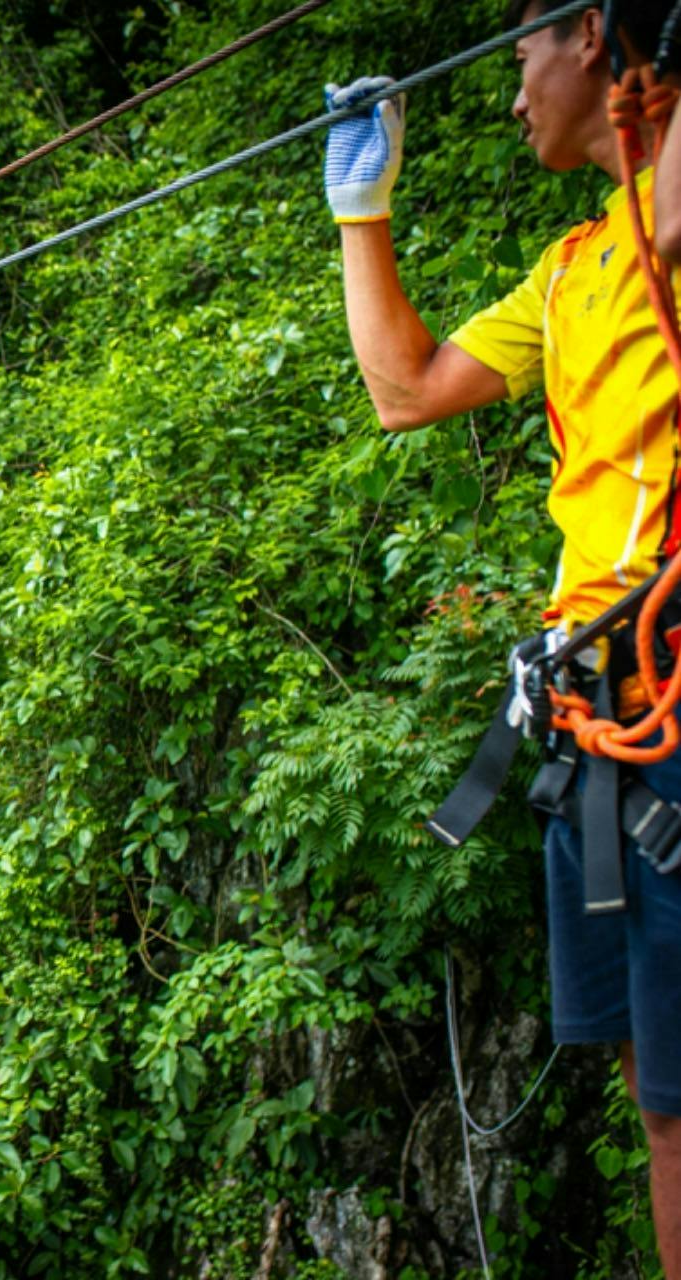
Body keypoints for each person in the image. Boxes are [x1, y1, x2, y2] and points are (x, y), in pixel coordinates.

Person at [326, 2, 679, 1269]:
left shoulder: (669, 226)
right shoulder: (574, 265)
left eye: (521, 56)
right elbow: (406, 389)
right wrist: (361, 213)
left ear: (590, 35)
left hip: (669, 683)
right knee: (658, 1094)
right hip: (598, 711)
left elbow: (673, 215)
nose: (512, 92)